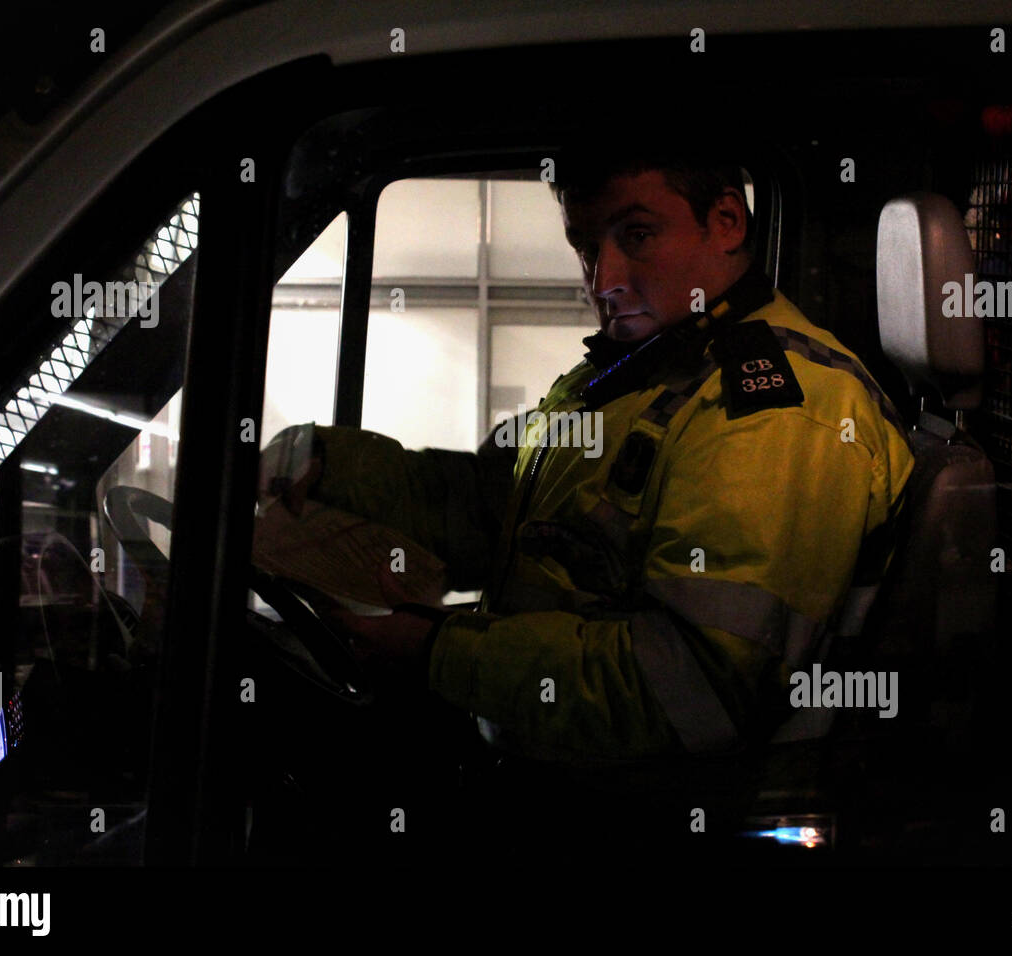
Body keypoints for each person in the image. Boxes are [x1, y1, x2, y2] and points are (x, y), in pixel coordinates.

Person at [264, 132, 915, 784]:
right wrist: (316, 458)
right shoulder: (638, 373)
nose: (603, 280)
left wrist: (438, 650)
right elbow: (485, 509)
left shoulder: (774, 412)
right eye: (585, 245)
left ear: (725, 222)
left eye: (636, 236)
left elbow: (691, 691)